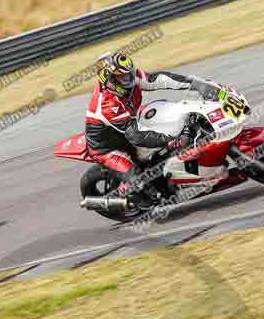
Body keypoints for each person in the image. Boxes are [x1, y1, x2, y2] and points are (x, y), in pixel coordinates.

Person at [85, 51, 219, 208]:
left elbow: (159, 79)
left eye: (129, 74)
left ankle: (185, 169)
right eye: (122, 77)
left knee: (178, 125)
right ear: (108, 79)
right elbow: (136, 136)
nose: (128, 80)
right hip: (109, 147)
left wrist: (195, 84)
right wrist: (171, 141)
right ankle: (131, 196)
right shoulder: (107, 104)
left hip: (131, 124)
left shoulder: (130, 79)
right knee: (138, 183)